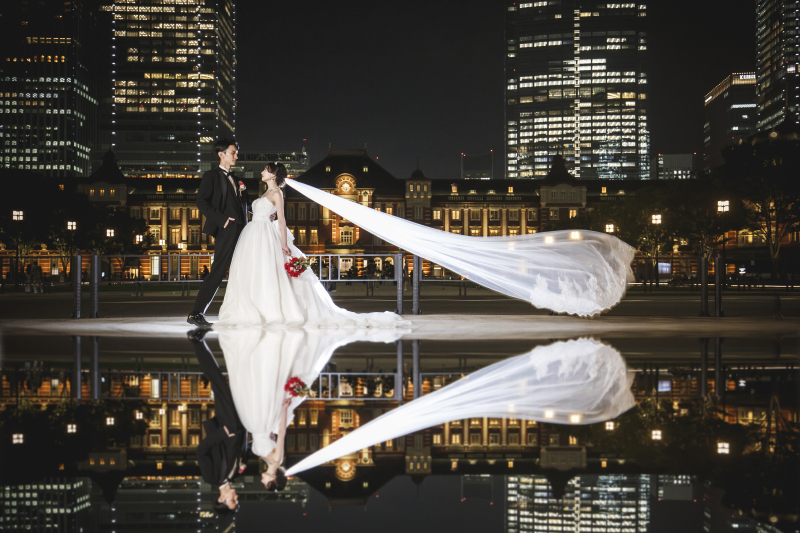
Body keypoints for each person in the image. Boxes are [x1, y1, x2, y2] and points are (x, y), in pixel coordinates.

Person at [215, 163, 410, 328]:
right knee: (257, 272)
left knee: (270, 273)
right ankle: (256, 306)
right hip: (255, 234)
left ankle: (271, 309)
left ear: (273, 174)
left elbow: (281, 220)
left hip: (265, 234)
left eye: (265, 170)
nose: (262, 172)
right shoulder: (266, 192)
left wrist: (284, 243)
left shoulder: (277, 193)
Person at [187, 138, 252, 328]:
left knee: (245, 269)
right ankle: (196, 313)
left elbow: (247, 204)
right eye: (233, 152)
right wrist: (223, 220)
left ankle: (246, 311)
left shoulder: (238, 179)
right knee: (218, 269)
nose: (236, 156)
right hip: (228, 228)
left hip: (244, 229)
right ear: (221, 154)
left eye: (236, 153)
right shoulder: (211, 176)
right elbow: (202, 202)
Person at [188, 329, 249, 515]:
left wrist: (222, 433)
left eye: (232, 500)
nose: (236, 497)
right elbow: (241, 449)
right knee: (240, 383)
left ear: (221, 498)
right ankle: (241, 341)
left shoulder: (211, 477)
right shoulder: (237, 474)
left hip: (227, 424)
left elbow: (201, 451)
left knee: (218, 382)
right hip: (241, 425)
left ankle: (197, 341)